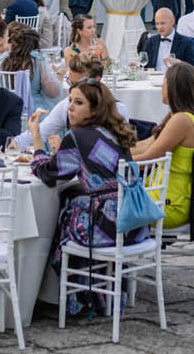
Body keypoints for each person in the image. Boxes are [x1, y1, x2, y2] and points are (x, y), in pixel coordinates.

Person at [30, 78, 148, 319]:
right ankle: (97, 294)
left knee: (61, 216)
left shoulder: (78, 137)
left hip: (107, 225)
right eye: (70, 101)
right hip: (132, 223)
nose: (70, 107)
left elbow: (49, 174)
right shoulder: (114, 132)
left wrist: (37, 143)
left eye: (78, 102)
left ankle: (71, 297)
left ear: (94, 109)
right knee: (72, 200)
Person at [133, 62, 194, 230]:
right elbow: (145, 146)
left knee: (102, 203)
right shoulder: (178, 117)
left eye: (164, 82)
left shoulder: (182, 121)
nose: (161, 87)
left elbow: (150, 158)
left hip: (168, 204)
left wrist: (113, 164)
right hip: (163, 196)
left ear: (174, 87)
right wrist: (112, 150)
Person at [6, 21, 62, 110]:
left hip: (7, 108)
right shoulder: (37, 60)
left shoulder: (2, 60)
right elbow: (52, 93)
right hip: (34, 109)